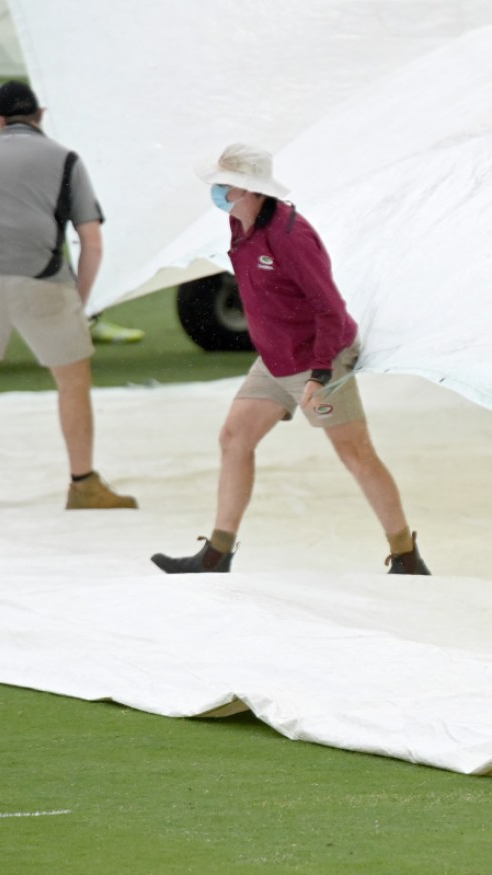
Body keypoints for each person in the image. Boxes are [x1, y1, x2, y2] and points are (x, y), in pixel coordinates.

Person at [151, 143, 428, 575]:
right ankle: (217, 554)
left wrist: (320, 375)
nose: (219, 192)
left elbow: (330, 311)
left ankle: (406, 556)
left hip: (321, 356)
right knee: (233, 438)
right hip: (276, 358)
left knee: (355, 453)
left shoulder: (290, 237)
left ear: (251, 189)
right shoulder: (238, 223)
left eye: (226, 185)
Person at [0, 81, 136, 510]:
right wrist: (81, 301)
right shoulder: (65, 158)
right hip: (40, 276)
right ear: (39, 115)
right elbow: (90, 241)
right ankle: (83, 483)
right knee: (72, 382)